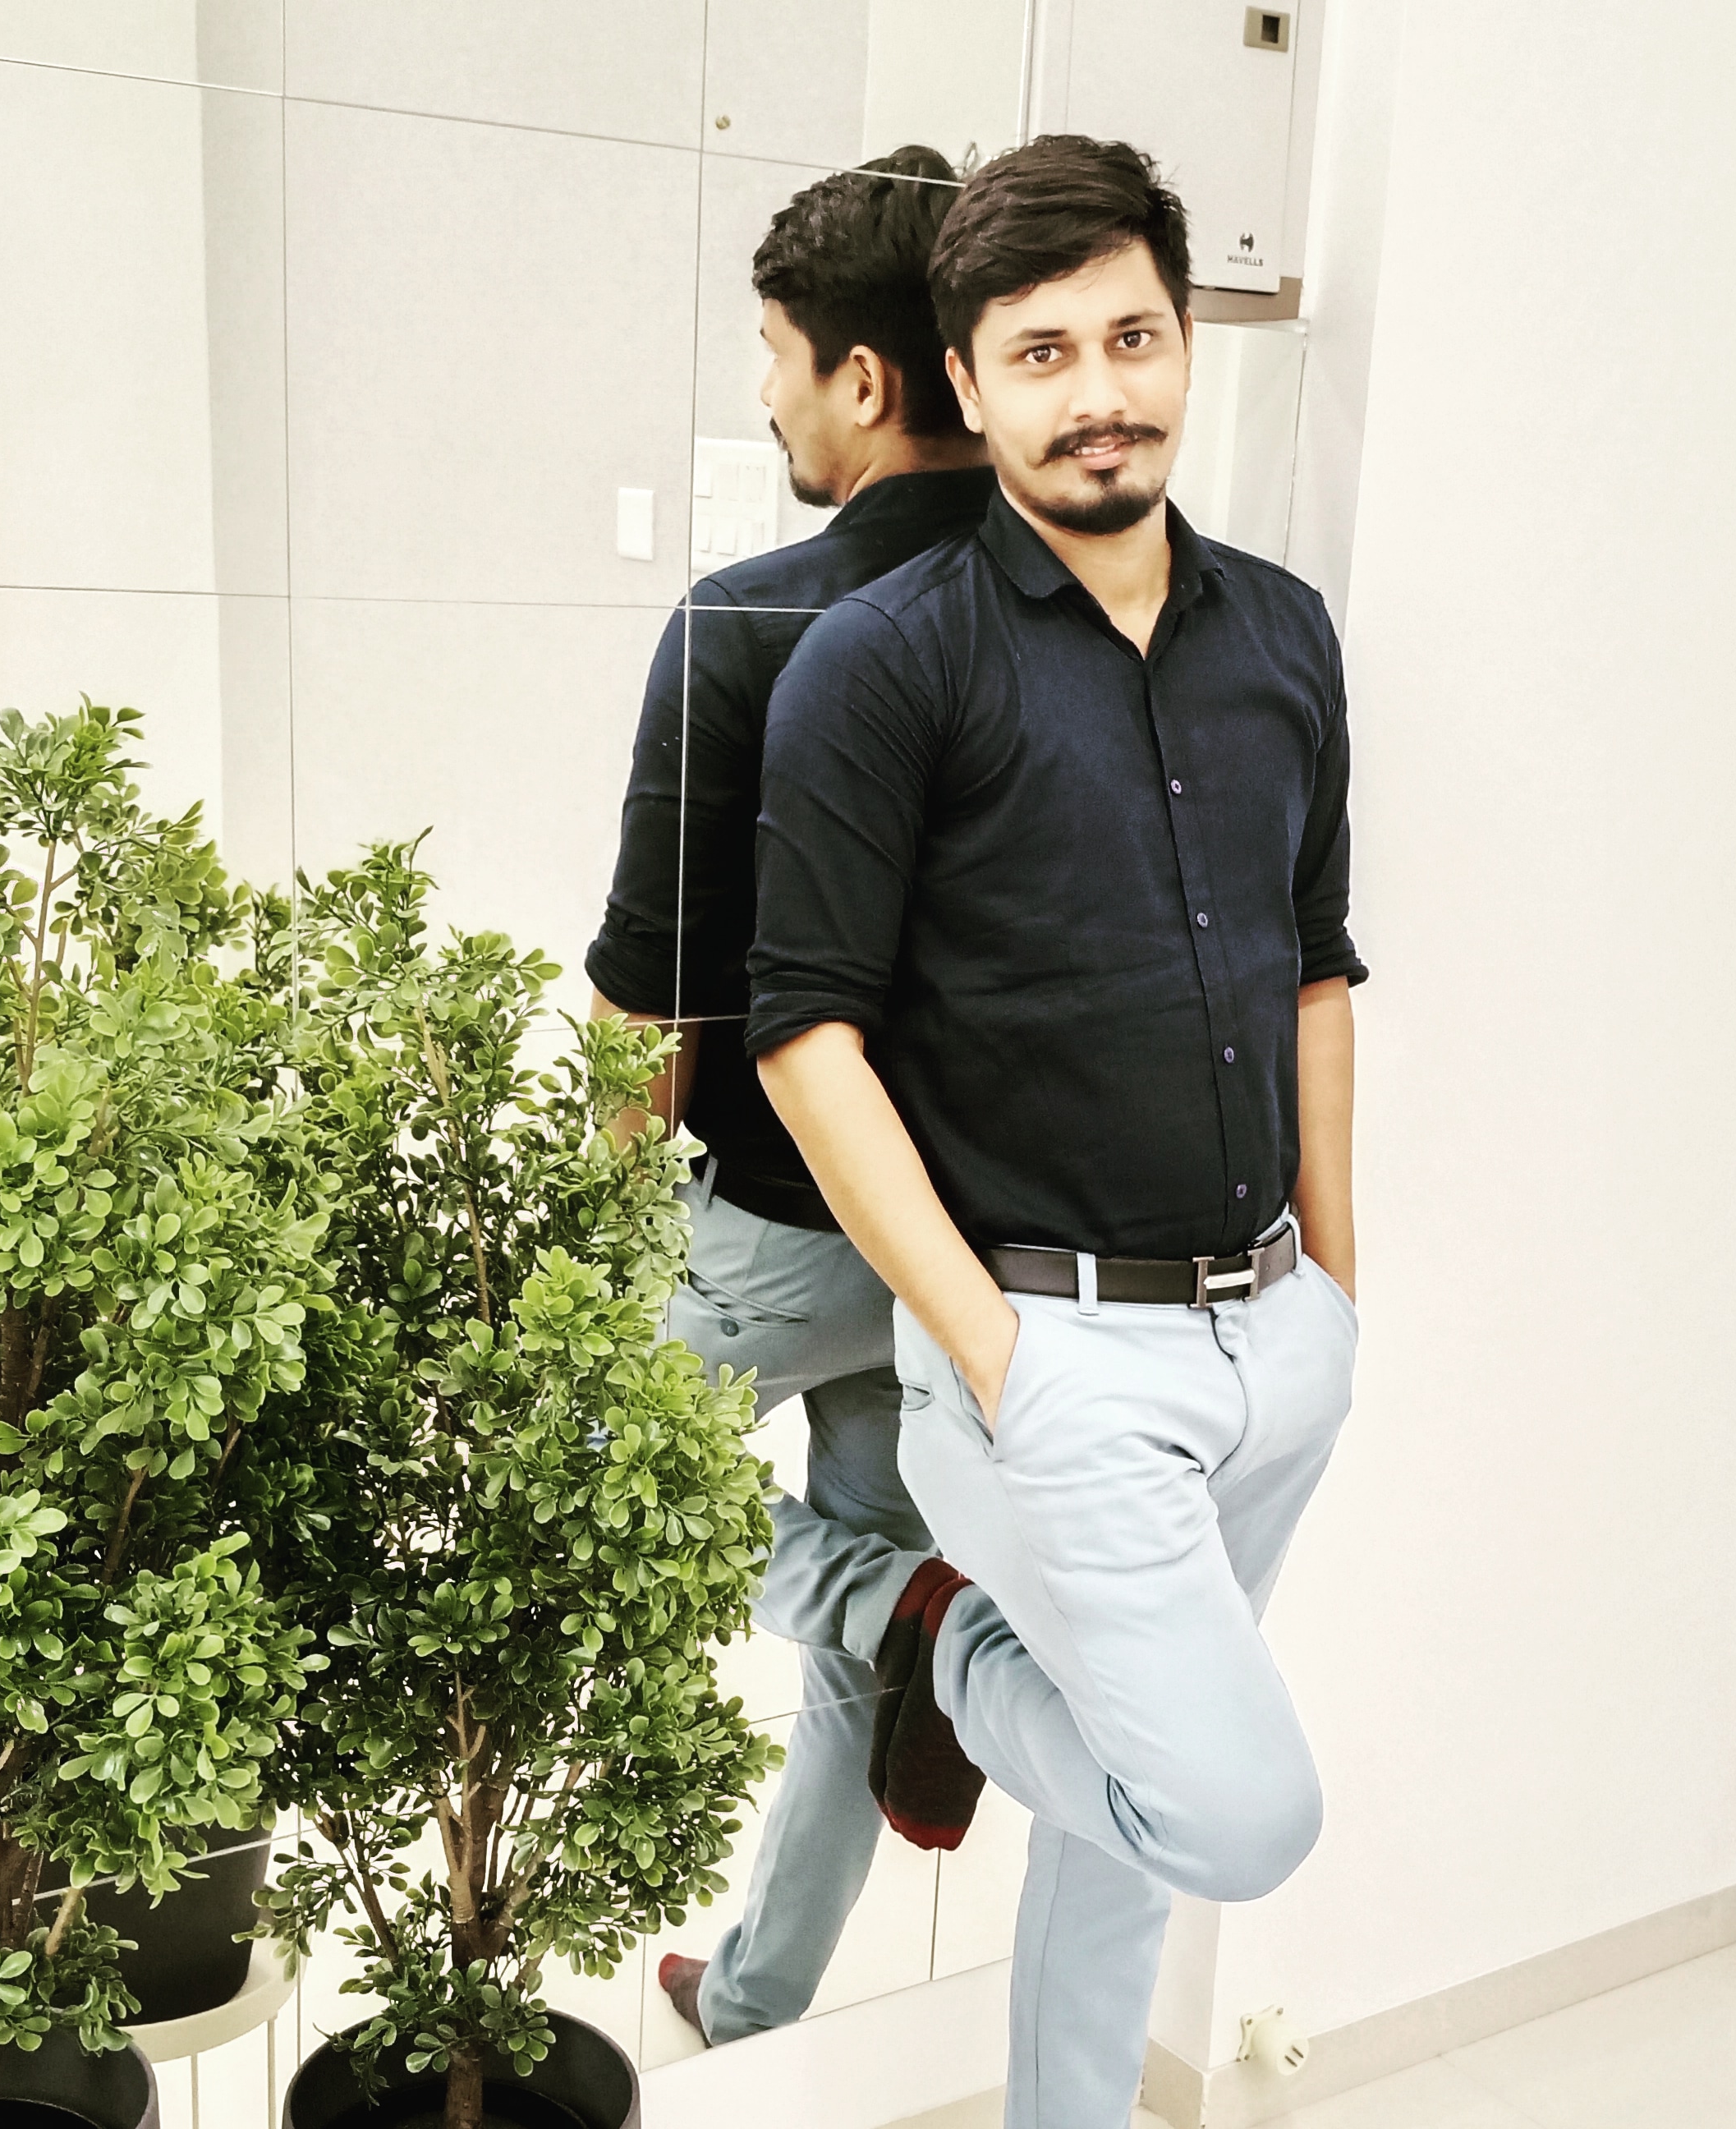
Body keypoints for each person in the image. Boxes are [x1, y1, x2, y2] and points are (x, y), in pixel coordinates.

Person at [747, 136, 1366, 2129]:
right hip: (1054, 1358)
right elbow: (805, 1042)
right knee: (1235, 1810)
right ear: (967, 377)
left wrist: (1338, 1291)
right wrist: (996, 1360)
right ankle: (915, 1631)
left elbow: (1314, 970)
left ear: (1185, 342)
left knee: (1129, 1840)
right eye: (1042, 354)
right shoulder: (883, 665)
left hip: (1273, 1336)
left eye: (1133, 337)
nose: (1101, 392)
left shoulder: (1285, 636)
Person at [585, 145, 995, 2049]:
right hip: (956, 1252)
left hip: (771, 1227)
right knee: (864, 1637)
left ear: (865, 378)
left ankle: (893, 1602)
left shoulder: (748, 624)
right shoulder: (1068, 611)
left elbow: (649, 1001)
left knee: (554, 1464)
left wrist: (591, 1240)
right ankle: (754, 2002)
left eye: (774, 353)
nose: (764, 393)